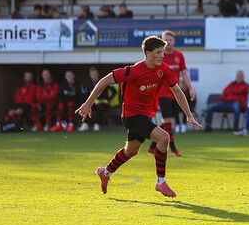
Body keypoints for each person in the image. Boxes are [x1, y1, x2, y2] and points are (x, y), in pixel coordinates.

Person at [75, 36, 202, 197]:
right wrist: (88, 104)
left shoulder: (163, 68)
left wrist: (188, 115)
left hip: (144, 116)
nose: (162, 56)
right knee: (164, 138)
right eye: (158, 52)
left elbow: (177, 91)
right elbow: (104, 80)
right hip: (131, 115)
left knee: (131, 151)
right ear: (148, 53)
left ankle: (105, 172)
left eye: (163, 52)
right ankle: (160, 182)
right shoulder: (133, 71)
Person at [147, 31, 196, 157]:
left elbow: (184, 73)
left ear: (174, 41)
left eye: (170, 39)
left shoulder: (179, 55)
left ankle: (152, 146)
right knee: (168, 122)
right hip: (161, 92)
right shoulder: (158, 55)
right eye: (165, 40)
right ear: (162, 42)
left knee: (167, 122)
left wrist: (190, 88)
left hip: (175, 92)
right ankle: (173, 149)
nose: (168, 42)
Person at [86, 66, 118, 132]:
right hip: (94, 102)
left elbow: (114, 91)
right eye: (92, 74)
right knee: (87, 106)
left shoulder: (103, 82)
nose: (93, 75)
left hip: (104, 102)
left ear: (97, 74)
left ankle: (97, 125)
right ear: (90, 75)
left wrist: (108, 99)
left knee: (100, 107)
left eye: (94, 74)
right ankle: (85, 124)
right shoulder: (89, 84)